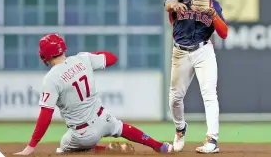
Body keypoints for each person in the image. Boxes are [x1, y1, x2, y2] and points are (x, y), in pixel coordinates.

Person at [14, 33, 173, 155]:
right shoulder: (83, 59)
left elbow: (46, 115)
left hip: (84, 133)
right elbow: (112, 58)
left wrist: (31, 146)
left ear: (44, 56)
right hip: (104, 118)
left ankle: (103, 149)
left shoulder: (51, 78)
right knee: (121, 127)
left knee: (63, 147)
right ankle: (160, 146)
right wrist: (90, 56)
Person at [164, 0, 228, 153]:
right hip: (180, 52)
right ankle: (180, 128)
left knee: (210, 95)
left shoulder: (212, 3)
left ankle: (212, 140)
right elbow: (168, 3)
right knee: (174, 99)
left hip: (203, 51)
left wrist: (213, 14)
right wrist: (173, 5)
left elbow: (224, 33)